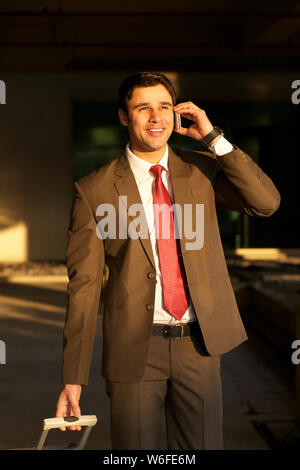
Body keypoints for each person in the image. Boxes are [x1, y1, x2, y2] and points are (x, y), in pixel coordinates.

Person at [55, 72, 280, 450]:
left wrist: (214, 138)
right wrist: (72, 377)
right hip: (134, 350)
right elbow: (84, 287)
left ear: (176, 116)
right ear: (124, 117)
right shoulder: (93, 190)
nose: (156, 118)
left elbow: (266, 203)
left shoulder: (203, 170)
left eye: (164, 107)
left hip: (199, 346)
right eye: (143, 108)